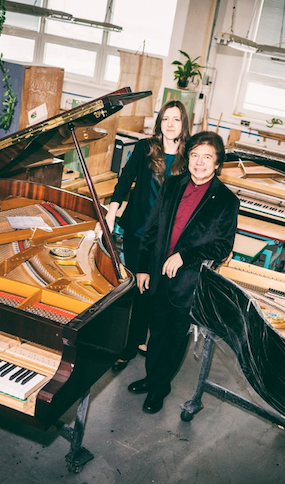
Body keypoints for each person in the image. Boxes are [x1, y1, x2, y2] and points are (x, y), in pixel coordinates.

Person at [127, 131, 239, 413]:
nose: (199, 162)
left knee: (175, 336)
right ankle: (151, 377)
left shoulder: (226, 200)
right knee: (156, 330)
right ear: (187, 158)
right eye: (194, 155)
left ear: (217, 164)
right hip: (158, 273)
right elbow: (152, 228)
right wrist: (143, 267)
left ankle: (160, 387)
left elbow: (223, 245)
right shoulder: (172, 184)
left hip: (188, 282)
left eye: (207, 157)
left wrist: (185, 256)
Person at [103, 100, 191, 372]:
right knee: (136, 289)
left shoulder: (189, 156)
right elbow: (125, 179)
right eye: (166, 119)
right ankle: (129, 345)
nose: (170, 124)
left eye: (176, 119)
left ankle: (142, 339)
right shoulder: (145, 148)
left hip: (167, 237)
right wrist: (111, 211)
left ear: (184, 124)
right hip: (138, 231)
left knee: (156, 290)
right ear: (159, 122)